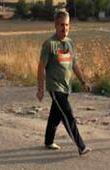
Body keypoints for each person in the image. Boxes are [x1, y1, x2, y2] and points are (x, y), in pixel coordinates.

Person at [37, 10, 91, 156]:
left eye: (67, 25)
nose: (64, 28)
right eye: (61, 25)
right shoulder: (49, 44)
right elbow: (41, 67)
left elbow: (74, 65)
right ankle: (81, 146)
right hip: (55, 87)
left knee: (56, 114)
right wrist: (40, 89)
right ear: (55, 25)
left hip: (66, 86)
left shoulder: (70, 43)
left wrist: (83, 81)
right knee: (68, 115)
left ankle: (48, 141)